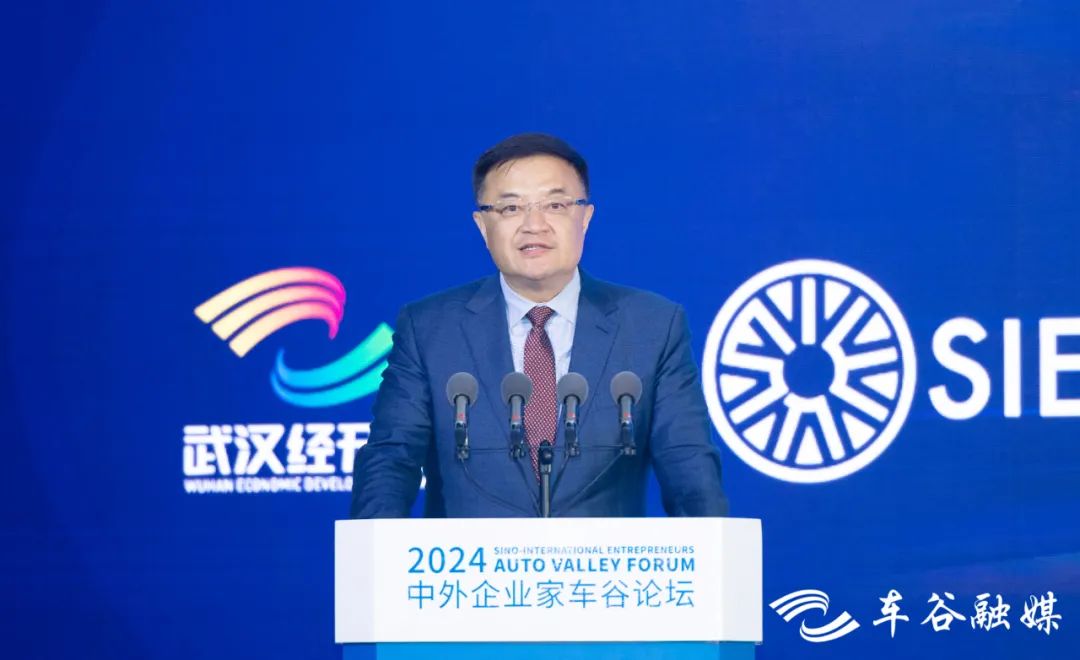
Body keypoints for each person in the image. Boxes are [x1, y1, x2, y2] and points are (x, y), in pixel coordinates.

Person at [350, 133, 728, 518]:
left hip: (601, 558)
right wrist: (371, 549)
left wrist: (713, 547)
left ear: (585, 217)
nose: (534, 225)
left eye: (555, 205)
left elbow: (689, 470)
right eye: (511, 208)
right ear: (482, 225)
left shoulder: (651, 326)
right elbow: (390, 460)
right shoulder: (430, 329)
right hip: (469, 558)